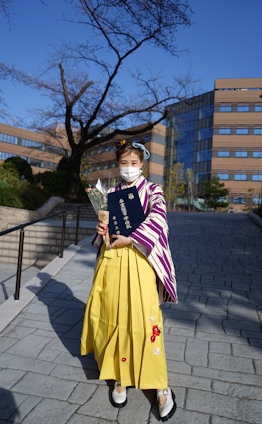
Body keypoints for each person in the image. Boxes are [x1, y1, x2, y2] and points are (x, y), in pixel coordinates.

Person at [81, 140, 178, 422]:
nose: (128, 168)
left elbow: (159, 219)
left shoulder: (153, 191)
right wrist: (103, 230)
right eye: (124, 163)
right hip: (113, 261)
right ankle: (120, 376)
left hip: (139, 260)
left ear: (142, 164)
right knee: (114, 318)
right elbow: (106, 231)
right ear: (118, 164)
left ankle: (160, 385)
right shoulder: (111, 193)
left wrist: (133, 238)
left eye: (134, 163)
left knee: (145, 320)